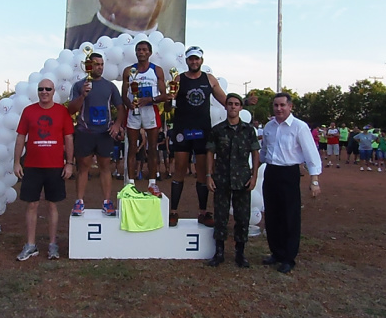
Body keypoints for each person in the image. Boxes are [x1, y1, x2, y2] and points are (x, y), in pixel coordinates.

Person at [165, 46, 257, 227]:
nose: (194, 62)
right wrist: (168, 101)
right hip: (183, 131)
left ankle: (202, 212)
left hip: (202, 131)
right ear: (186, 60)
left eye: (197, 59)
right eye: (191, 59)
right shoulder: (179, 78)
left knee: (202, 173)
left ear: (202, 61)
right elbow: (169, 107)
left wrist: (244, 102)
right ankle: (174, 211)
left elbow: (225, 101)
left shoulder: (209, 79)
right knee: (179, 171)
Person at [259, 93, 322, 274]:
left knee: (289, 216)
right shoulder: (269, 127)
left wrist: (314, 180)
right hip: (271, 172)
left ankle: (288, 257)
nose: (279, 109)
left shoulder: (299, 127)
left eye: (282, 105)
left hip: (289, 173)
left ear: (290, 107)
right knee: (272, 214)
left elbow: (311, 154)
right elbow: (264, 151)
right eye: (276, 105)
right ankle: (276, 253)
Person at [14, 79, 74, 261]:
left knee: (52, 205)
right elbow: (20, 138)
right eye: (41, 89)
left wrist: (69, 163)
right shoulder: (28, 111)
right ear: (37, 91)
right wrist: (17, 162)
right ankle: (31, 245)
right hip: (32, 166)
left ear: (53, 91)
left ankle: (53, 245)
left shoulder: (62, 112)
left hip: (55, 166)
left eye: (48, 89)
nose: (44, 92)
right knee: (32, 205)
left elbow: (69, 138)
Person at [205, 93, 260, 268]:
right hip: (221, 178)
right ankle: (219, 252)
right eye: (230, 104)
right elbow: (210, 153)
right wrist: (208, 175)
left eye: (236, 104)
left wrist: (254, 176)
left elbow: (255, 153)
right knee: (220, 217)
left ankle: (240, 253)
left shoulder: (249, 130)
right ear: (226, 107)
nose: (233, 107)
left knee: (242, 217)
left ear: (241, 108)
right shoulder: (218, 130)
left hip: (242, 179)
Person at [68, 52, 125, 216]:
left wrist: (117, 124)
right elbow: (71, 110)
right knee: (83, 168)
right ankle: (79, 202)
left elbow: (121, 108)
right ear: (88, 66)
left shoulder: (110, 86)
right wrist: (82, 95)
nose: (99, 67)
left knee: (105, 168)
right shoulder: (79, 85)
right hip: (85, 132)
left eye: (101, 64)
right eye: (96, 64)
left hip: (104, 133)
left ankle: (107, 202)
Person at [121, 40, 167, 196]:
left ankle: (152, 183)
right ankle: (131, 183)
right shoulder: (128, 71)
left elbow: (164, 95)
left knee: (153, 148)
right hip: (133, 112)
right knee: (132, 148)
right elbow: (123, 95)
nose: (141, 52)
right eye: (138, 50)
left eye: (144, 50)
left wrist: (150, 100)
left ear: (150, 53)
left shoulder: (157, 71)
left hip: (150, 111)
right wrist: (130, 103)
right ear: (135, 52)